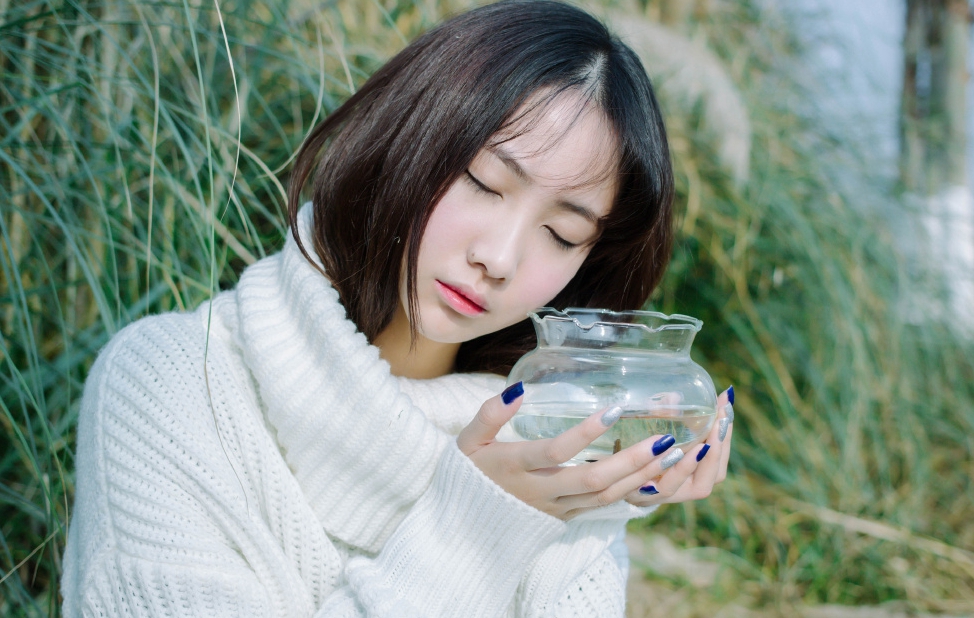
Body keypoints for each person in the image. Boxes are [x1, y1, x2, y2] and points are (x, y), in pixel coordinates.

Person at [61, 1, 735, 615]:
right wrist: (475, 526)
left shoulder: (546, 444)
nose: (498, 258)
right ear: (410, 135)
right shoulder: (174, 383)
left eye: (561, 234)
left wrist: (590, 505)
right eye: (482, 182)